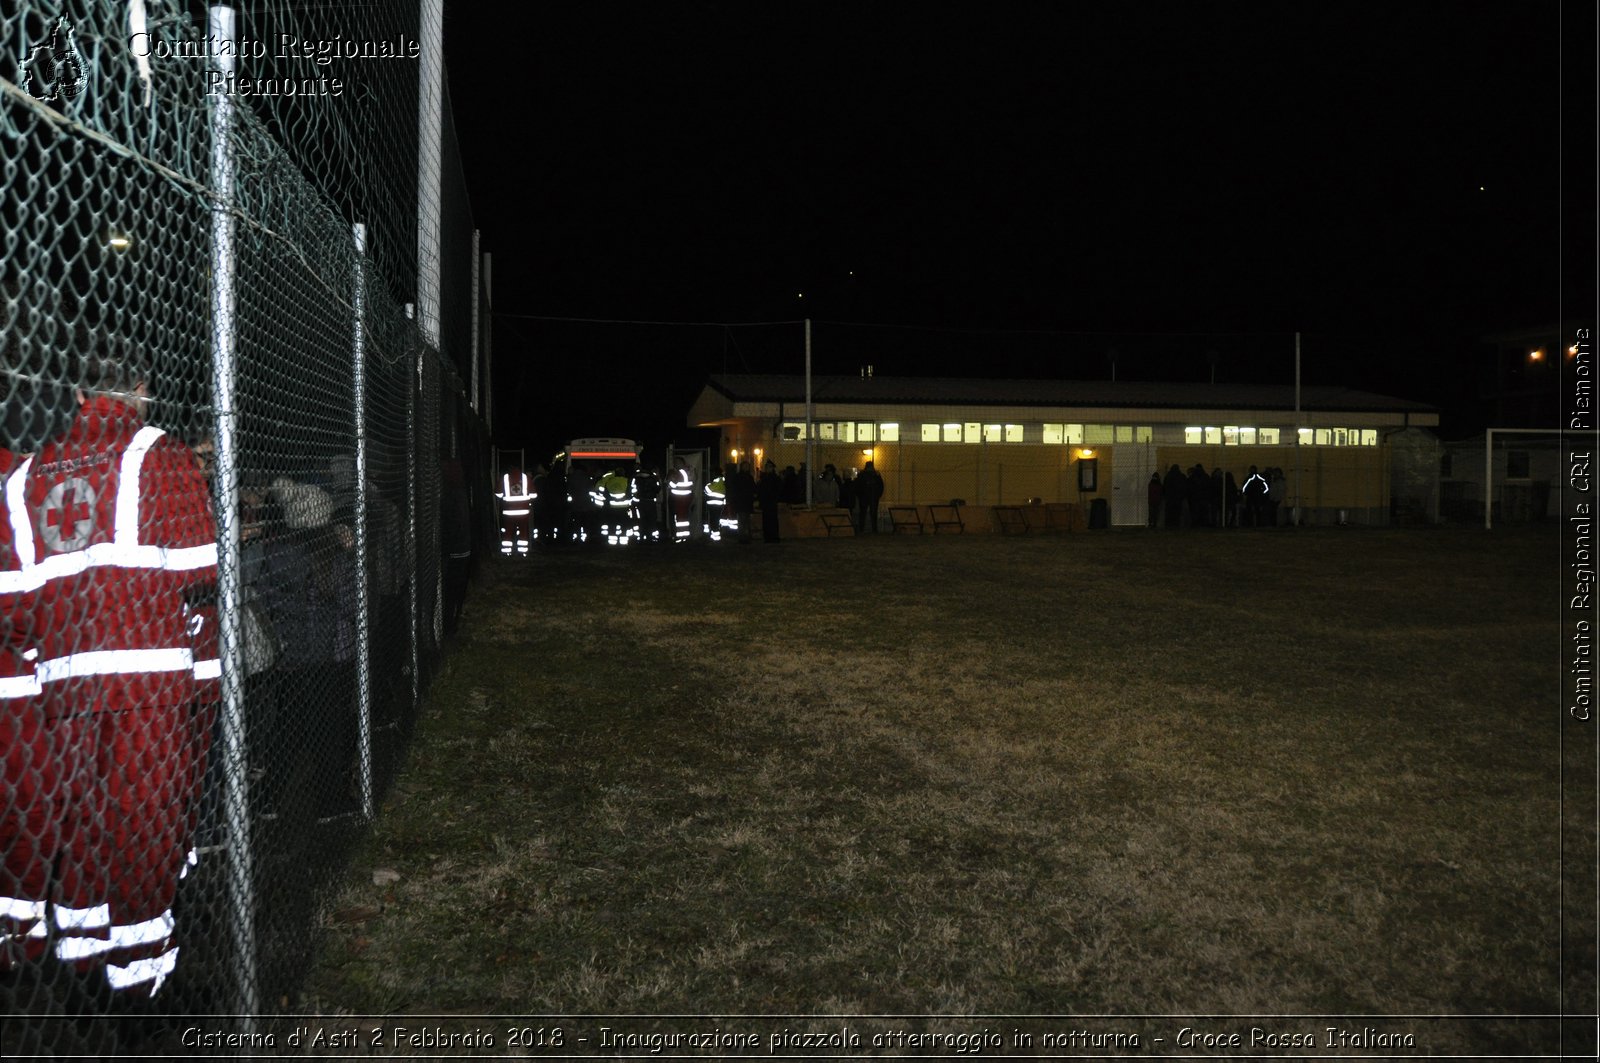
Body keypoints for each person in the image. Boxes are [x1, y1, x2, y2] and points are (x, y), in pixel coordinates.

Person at [0, 338, 218, 1001]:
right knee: (147, 815)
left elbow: (15, 596)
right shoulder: (161, 454)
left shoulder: (32, 473)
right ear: (143, 389)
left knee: (85, 814)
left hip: (64, 677)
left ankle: (82, 951)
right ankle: (143, 970)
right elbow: (198, 568)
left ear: (75, 395)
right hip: (147, 672)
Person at [726, 461, 755, 544]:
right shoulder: (739, 477)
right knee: (742, 520)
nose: (746, 468)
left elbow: (752, 488)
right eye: (745, 466)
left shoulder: (748, 477)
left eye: (747, 466)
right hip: (742, 501)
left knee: (746, 520)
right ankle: (742, 537)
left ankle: (746, 536)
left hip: (746, 501)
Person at [855, 460, 885, 534]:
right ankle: (873, 529)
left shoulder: (862, 474)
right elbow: (881, 485)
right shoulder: (875, 474)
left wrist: (860, 495)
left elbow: (857, 486)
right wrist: (878, 495)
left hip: (866, 497)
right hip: (872, 497)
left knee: (864, 513)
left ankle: (862, 529)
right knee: (871, 513)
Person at [757, 459, 782, 542]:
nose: (768, 469)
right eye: (767, 467)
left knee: (772, 520)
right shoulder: (764, 478)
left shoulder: (774, 478)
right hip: (766, 502)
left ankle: (773, 536)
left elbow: (777, 490)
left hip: (771, 502)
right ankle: (768, 536)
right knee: (767, 520)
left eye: (769, 467)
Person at [1161, 464, 1187, 529]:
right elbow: (1184, 487)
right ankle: (1176, 524)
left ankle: (1169, 525)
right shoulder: (1181, 476)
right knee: (1177, 512)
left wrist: (1165, 495)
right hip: (1178, 498)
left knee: (1169, 512)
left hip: (1169, 498)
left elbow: (1164, 487)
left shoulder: (1168, 476)